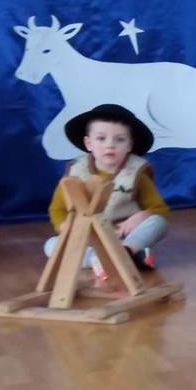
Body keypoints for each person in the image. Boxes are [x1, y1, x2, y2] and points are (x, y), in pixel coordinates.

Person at [44, 103, 168, 277]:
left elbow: (160, 209)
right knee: (51, 246)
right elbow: (57, 209)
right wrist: (66, 228)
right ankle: (98, 259)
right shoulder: (76, 172)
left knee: (157, 223)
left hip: (123, 235)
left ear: (130, 144)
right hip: (88, 237)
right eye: (101, 139)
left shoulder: (136, 173)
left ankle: (128, 251)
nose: (110, 145)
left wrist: (142, 216)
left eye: (120, 139)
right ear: (89, 143)